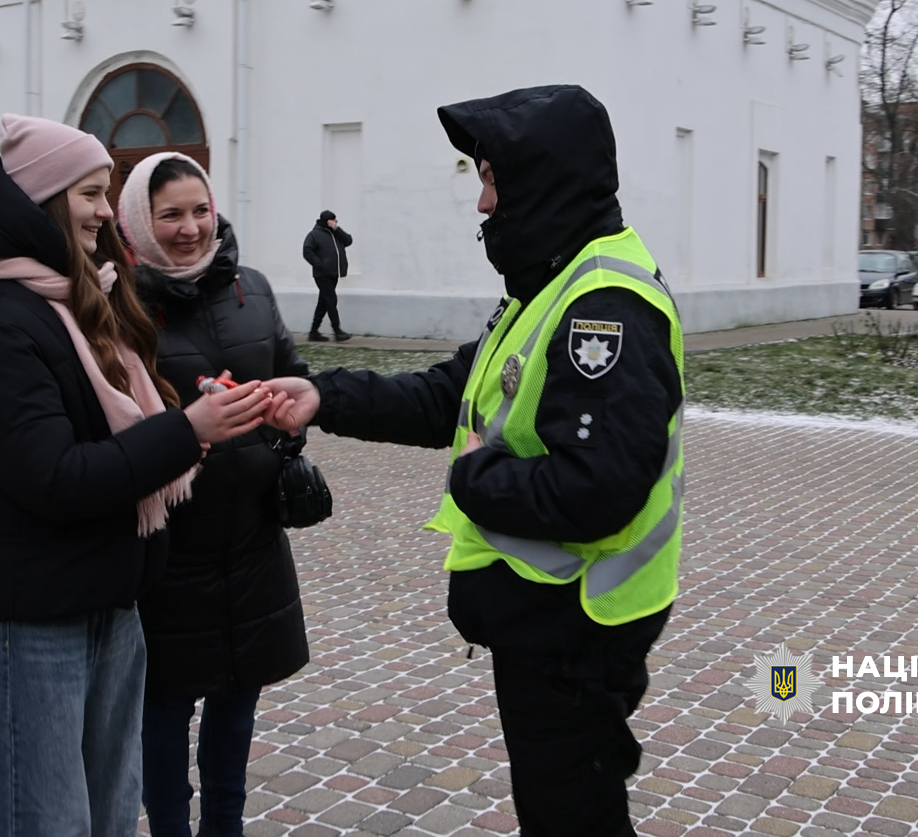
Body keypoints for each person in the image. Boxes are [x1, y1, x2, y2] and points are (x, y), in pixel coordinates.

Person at [265, 85, 685, 836]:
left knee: (575, 818)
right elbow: (445, 399)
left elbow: (597, 489)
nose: (484, 202)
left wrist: (472, 475)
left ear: (540, 181)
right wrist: (320, 397)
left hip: (578, 628)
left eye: (491, 177)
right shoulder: (548, 286)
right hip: (548, 627)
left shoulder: (604, 307)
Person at [0, 114, 273, 836]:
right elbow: (53, 479)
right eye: (91, 193)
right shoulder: (5, 319)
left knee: (106, 816)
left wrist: (189, 427)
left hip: (107, 599)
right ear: (48, 196)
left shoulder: (74, 301)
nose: (102, 211)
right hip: (33, 618)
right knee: (38, 817)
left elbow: (108, 432)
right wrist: (184, 434)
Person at [119, 152, 310, 837]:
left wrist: (283, 425)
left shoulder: (250, 289)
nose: (191, 228)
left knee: (238, 695)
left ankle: (224, 827)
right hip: (168, 546)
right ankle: (171, 826)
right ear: (140, 220)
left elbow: (290, 374)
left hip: (251, 535)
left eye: (200, 210)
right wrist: (184, 427)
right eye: (170, 214)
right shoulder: (118, 303)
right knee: (164, 704)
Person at [302, 209, 353, 342]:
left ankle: (313, 332)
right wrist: (320, 264)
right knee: (331, 300)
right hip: (322, 274)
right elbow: (307, 251)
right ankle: (337, 331)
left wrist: (337, 229)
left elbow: (348, 241)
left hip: (334, 273)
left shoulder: (335, 233)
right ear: (327, 221)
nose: (336, 221)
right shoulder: (314, 234)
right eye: (333, 220)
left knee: (323, 302)